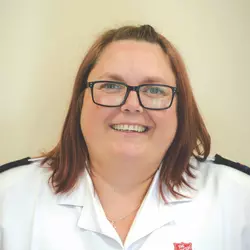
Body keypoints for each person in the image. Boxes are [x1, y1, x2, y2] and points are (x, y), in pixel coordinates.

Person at [0, 24, 249, 250]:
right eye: (111, 86)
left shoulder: (239, 199)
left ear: (180, 109)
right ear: (79, 102)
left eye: (154, 90)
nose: (132, 105)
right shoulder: (8, 198)